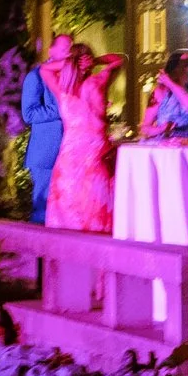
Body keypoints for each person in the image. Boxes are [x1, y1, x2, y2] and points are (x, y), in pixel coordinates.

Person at [44, 40, 124, 232]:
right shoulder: (97, 82)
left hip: (70, 157)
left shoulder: (62, 90)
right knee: (94, 207)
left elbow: (45, 69)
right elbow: (120, 60)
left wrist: (70, 61)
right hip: (93, 153)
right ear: (85, 61)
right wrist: (95, 61)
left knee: (68, 212)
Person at [21, 32, 71, 224]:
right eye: (65, 48)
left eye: (70, 48)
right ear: (52, 50)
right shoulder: (36, 77)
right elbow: (29, 114)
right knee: (43, 209)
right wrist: (63, 107)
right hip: (46, 152)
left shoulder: (69, 75)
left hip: (68, 150)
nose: (68, 53)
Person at [141, 47, 188, 141]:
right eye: (186, 64)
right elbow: (145, 128)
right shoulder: (160, 92)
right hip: (165, 148)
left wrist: (170, 84)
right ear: (175, 68)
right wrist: (161, 129)